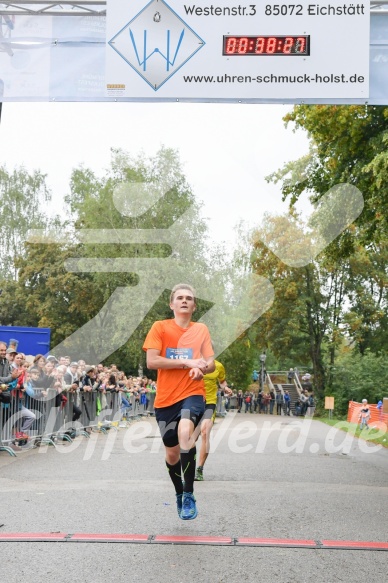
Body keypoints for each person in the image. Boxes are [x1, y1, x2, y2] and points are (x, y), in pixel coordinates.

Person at [143, 283, 215, 521]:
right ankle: (178, 493)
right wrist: (188, 363)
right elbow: (152, 361)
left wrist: (201, 368)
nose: (185, 301)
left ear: (194, 306)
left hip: (193, 393)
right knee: (172, 454)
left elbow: (210, 362)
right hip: (165, 400)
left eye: (189, 298)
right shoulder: (160, 328)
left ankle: (189, 494)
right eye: (180, 298)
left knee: (186, 433)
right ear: (172, 304)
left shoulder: (201, 329)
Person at [195, 356, 232, 482]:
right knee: (191, 437)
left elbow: (222, 381)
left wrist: (225, 388)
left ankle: (199, 469)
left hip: (210, 403)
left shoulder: (218, 366)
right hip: (193, 402)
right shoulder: (193, 363)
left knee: (205, 432)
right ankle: (187, 467)